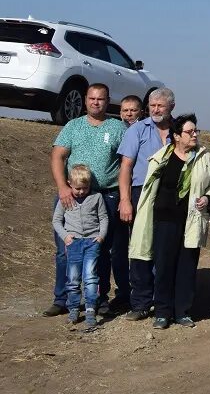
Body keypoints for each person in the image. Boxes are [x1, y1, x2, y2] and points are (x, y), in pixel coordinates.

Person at [128, 114, 210, 329]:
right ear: (177, 136)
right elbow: (150, 191)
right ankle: (162, 311)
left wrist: (207, 198)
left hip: (191, 221)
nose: (195, 135)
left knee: (186, 267)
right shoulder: (161, 158)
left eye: (196, 131)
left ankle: (182, 311)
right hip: (163, 222)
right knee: (164, 267)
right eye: (189, 132)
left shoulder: (203, 157)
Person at [47, 83, 127, 318]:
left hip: (104, 196)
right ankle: (62, 299)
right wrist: (63, 187)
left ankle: (99, 299)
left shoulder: (117, 127)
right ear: (85, 100)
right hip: (72, 195)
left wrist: (123, 197)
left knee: (101, 250)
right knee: (65, 249)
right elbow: (58, 156)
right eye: (92, 98)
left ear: (108, 100)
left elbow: (126, 163)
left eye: (100, 99)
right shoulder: (73, 126)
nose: (96, 103)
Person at [116, 87, 175, 321]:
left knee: (164, 248)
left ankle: (163, 301)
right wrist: (125, 200)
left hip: (170, 195)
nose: (156, 109)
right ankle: (140, 302)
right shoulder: (138, 130)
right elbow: (126, 167)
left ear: (171, 106)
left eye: (161, 105)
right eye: (152, 105)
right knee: (140, 248)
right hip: (140, 192)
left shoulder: (179, 130)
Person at [53, 164, 109, 330]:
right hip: (74, 243)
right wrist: (66, 236)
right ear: (70, 183)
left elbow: (103, 218)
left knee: (91, 276)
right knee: (73, 278)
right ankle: (74, 308)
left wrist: (100, 236)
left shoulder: (96, 197)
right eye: (77, 188)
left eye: (84, 188)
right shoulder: (66, 199)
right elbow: (56, 220)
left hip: (92, 242)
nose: (81, 192)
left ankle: (91, 307)